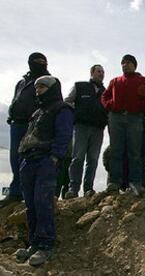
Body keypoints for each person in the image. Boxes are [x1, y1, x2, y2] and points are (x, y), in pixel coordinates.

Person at [16, 76, 74, 266]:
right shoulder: (37, 112)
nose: (38, 90)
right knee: (31, 204)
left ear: (51, 89)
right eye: (36, 87)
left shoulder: (62, 109)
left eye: (41, 87)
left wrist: (54, 158)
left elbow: (64, 135)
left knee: (43, 203)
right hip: (29, 160)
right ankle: (34, 243)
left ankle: (46, 245)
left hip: (45, 160)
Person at [0, 52, 50, 208]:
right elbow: (17, 99)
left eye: (43, 61)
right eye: (37, 61)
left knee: (28, 160)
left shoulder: (48, 81)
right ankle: (15, 193)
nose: (41, 64)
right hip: (16, 124)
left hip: (33, 125)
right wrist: (11, 115)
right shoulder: (22, 82)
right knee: (15, 158)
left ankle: (29, 194)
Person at [101, 54, 145, 195]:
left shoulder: (142, 80)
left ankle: (135, 183)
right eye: (123, 63)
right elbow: (104, 96)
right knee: (116, 150)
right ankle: (114, 182)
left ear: (134, 65)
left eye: (129, 62)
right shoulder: (115, 81)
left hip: (135, 118)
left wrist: (138, 107)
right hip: (116, 118)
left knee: (134, 152)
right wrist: (110, 105)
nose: (125, 65)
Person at [64, 65, 107, 198]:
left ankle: (88, 188)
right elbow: (67, 102)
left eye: (103, 72)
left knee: (93, 159)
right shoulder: (80, 86)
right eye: (99, 71)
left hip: (98, 129)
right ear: (92, 73)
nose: (101, 74)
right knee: (78, 157)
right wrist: (77, 113)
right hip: (81, 127)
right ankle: (73, 189)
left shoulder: (106, 92)